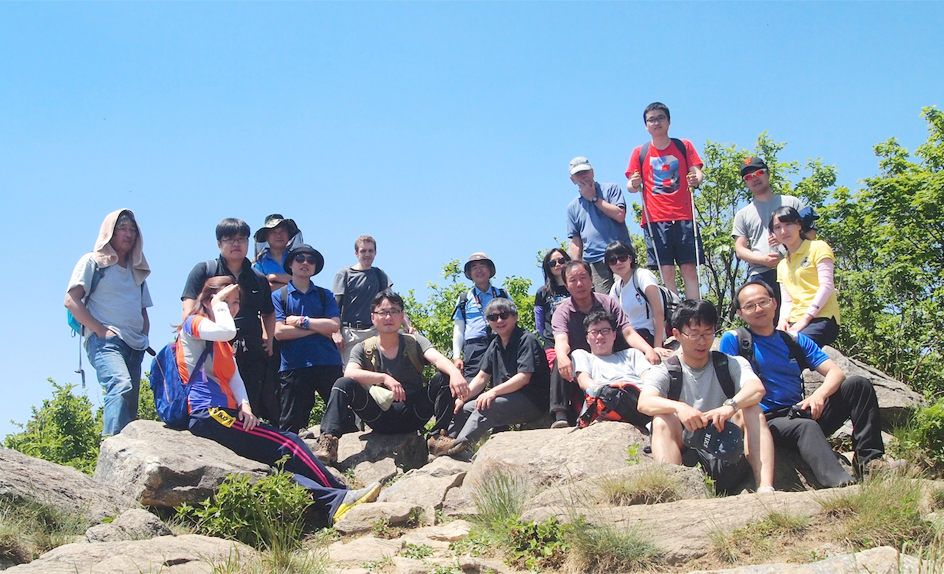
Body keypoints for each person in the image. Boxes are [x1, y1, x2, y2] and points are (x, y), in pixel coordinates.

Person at [178, 276, 379, 524]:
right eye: (226, 301)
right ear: (210, 301)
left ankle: (331, 502)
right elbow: (227, 329)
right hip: (208, 413)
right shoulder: (193, 324)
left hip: (227, 412)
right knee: (290, 442)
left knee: (275, 464)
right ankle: (343, 494)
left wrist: (246, 406)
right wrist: (218, 302)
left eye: (236, 302)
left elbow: (234, 378)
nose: (233, 308)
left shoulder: (221, 343)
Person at [720, 281, 886, 484]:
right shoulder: (736, 340)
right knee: (805, 427)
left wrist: (819, 395)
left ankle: (869, 463)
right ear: (740, 313)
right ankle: (841, 483)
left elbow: (835, 372)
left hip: (799, 411)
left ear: (774, 303)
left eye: (763, 302)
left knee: (858, 386)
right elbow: (725, 385)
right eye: (749, 306)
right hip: (766, 422)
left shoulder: (794, 339)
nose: (758, 309)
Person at [314, 290, 469, 465]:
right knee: (343, 383)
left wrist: (455, 373)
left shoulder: (414, 342)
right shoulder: (364, 348)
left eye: (394, 312)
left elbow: (437, 358)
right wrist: (384, 378)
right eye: (383, 312)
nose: (388, 317)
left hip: (414, 413)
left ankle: (437, 438)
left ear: (402, 316)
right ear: (373, 317)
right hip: (379, 415)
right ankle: (328, 442)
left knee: (445, 376)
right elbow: (350, 373)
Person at [637, 300, 775, 494]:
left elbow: (756, 389)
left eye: (708, 333)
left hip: (729, 451)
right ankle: (672, 495)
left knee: (752, 409)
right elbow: (644, 402)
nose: (702, 341)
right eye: (694, 334)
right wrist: (679, 408)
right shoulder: (666, 371)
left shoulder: (730, 363)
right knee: (662, 420)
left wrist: (731, 406)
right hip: (690, 457)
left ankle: (766, 487)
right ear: (676, 334)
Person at [181, 218, 278, 423]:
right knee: (219, 401)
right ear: (219, 243)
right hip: (213, 346)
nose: (236, 244)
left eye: (242, 239)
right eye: (230, 239)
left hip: (251, 348)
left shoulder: (258, 277)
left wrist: (268, 339)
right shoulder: (205, 270)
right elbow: (188, 310)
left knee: (251, 404)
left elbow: (269, 312)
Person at [65, 209, 152, 436]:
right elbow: (71, 300)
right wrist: (100, 331)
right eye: (122, 228)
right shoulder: (93, 262)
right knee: (120, 384)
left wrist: (144, 337)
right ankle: (112, 448)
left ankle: (125, 457)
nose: (128, 234)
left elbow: (143, 310)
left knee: (130, 404)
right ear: (109, 232)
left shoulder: (138, 270)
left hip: (135, 345)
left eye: (133, 229)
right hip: (106, 342)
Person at [428, 298, 550, 457]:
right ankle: (445, 446)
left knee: (486, 405)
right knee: (464, 408)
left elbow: (523, 378)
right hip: (507, 399)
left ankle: (459, 450)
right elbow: (481, 378)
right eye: (493, 317)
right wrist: (463, 397)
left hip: (532, 401)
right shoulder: (495, 344)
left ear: (514, 317)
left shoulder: (527, 340)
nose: (499, 320)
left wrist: (492, 392)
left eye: (504, 315)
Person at [549, 260, 659, 428]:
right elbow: (561, 340)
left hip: (611, 352)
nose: (579, 284)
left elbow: (627, 331)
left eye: (583, 277)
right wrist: (563, 356)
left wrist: (648, 350)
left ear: (592, 279)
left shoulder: (608, 303)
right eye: (573, 280)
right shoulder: (562, 311)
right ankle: (560, 414)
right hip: (582, 358)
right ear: (565, 284)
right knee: (561, 360)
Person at [626, 102, 704, 299]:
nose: (656, 122)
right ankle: (675, 312)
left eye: (661, 118)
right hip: (656, 220)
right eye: (651, 119)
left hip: (684, 216)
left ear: (669, 121)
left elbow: (697, 171)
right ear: (646, 126)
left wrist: (696, 179)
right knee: (666, 272)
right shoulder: (640, 152)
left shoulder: (683, 146)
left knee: (688, 267)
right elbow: (630, 185)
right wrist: (634, 183)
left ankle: (694, 312)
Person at [273, 244, 344, 434]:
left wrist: (300, 321)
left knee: (343, 420)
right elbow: (279, 332)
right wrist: (317, 328)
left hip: (327, 361)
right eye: (300, 259)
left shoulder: (324, 295)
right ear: (290, 263)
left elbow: (333, 326)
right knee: (290, 425)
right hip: (294, 365)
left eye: (310, 260)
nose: (305, 263)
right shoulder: (278, 296)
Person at [732, 157, 805, 321]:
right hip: (761, 273)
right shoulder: (743, 214)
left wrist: (786, 243)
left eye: (758, 173)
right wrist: (762, 260)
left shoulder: (792, 202)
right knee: (764, 321)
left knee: (797, 317)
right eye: (748, 177)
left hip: (795, 267)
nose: (754, 178)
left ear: (768, 174)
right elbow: (740, 249)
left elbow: (810, 235)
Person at [333, 235, 411, 364]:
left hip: (376, 332)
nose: (367, 254)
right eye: (363, 251)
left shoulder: (379, 274)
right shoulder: (345, 274)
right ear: (356, 253)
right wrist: (336, 332)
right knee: (354, 376)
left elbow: (394, 305)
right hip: (352, 334)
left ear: (375, 253)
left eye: (370, 251)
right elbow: (334, 307)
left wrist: (408, 325)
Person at [769, 206, 840, 347]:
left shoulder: (818, 247)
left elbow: (826, 287)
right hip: (794, 321)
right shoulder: (782, 265)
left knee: (794, 347)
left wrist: (805, 319)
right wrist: (782, 320)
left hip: (822, 318)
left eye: (788, 224)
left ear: (799, 225)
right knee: (769, 349)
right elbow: (787, 300)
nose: (783, 231)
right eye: (777, 227)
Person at [572, 310, 652, 427]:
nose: (600, 336)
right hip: (609, 400)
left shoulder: (632, 354)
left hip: (642, 397)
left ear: (614, 334)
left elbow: (649, 377)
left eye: (605, 331)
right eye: (594, 332)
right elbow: (583, 381)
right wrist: (601, 391)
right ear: (587, 338)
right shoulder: (582, 355)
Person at [566, 156, 632, 294]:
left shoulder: (611, 189)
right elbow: (576, 240)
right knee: (604, 302)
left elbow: (620, 215)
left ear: (592, 172)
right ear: (572, 180)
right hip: (595, 261)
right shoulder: (573, 207)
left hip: (620, 256)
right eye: (578, 174)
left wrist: (594, 198)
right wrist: (576, 265)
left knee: (627, 295)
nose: (583, 176)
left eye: (585, 172)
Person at [452, 253, 509, 381]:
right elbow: (458, 329)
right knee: (471, 386)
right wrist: (457, 357)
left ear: (490, 270)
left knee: (504, 383)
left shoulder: (502, 294)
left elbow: (512, 321)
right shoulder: (464, 299)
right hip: (474, 347)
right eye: (474, 267)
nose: (479, 270)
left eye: (482, 265)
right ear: (470, 274)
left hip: (501, 342)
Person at [605, 240, 669, 352]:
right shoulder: (616, 288)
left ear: (630, 258)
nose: (618, 263)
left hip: (648, 334)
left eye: (622, 257)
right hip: (631, 335)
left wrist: (657, 346)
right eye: (612, 260)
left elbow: (658, 311)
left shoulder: (642, 276)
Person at [533, 248, 571, 368]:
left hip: (578, 339)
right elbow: (539, 324)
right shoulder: (542, 293)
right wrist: (548, 335)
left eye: (561, 260)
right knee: (556, 374)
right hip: (552, 343)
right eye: (552, 263)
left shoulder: (577, 287)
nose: (558, 265)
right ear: (547, 267)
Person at [252, 214, 303, 291]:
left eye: (282, 231)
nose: (279, 235)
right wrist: (290, 282)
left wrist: (273, 277)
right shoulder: (259, 262)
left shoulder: (297, 259)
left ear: (289, 234)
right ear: (266, 236)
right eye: (273, 232)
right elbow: (260, 286)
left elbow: (302, 282)